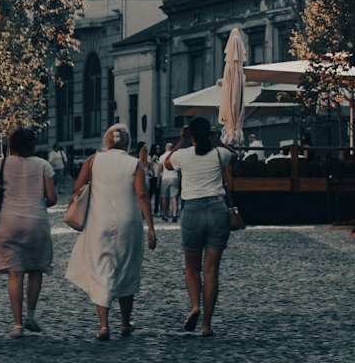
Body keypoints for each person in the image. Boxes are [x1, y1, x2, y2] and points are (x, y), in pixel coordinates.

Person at [65, 122, 156, 341]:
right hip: (128, 222)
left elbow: (77, 188)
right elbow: (142, 195)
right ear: (128, 143)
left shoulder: (94, 160)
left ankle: (104, 325)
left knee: (100, 269)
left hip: (99, 221)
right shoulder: (134, 164)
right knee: (127, 269)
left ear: (107, 142)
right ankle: (125, 323)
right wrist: (151, 227)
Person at [163, 115, 234, 337]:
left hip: (192, 211)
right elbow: (234, 156)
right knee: (211, 270)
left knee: (191, 267)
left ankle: (195, 306)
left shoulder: (183, 155)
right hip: (217, 210)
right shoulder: (218, 153)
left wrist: (181, 140)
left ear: (190, 134)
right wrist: (217, 139)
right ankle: (207, 325)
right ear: (209, 133)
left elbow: (166, 163)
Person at [0, 126, 57, 337]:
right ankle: (31, 315)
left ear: (12, 144)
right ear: (32, 144)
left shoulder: (2, 163)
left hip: (8, 223)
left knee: (15, 274)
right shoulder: (44, 165)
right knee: (35, 269)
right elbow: (52, 198)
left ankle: (17, 324)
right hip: (36, 223)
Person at [159, 151, 180, 223]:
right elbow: (179, 169)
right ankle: (174, 214)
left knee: (165, 197)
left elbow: (160, 168)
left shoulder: (162, 156)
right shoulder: (176, 156)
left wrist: (158, 179)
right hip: (174, 177)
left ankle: (165, 215)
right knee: (174, 197)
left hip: (165, 178)